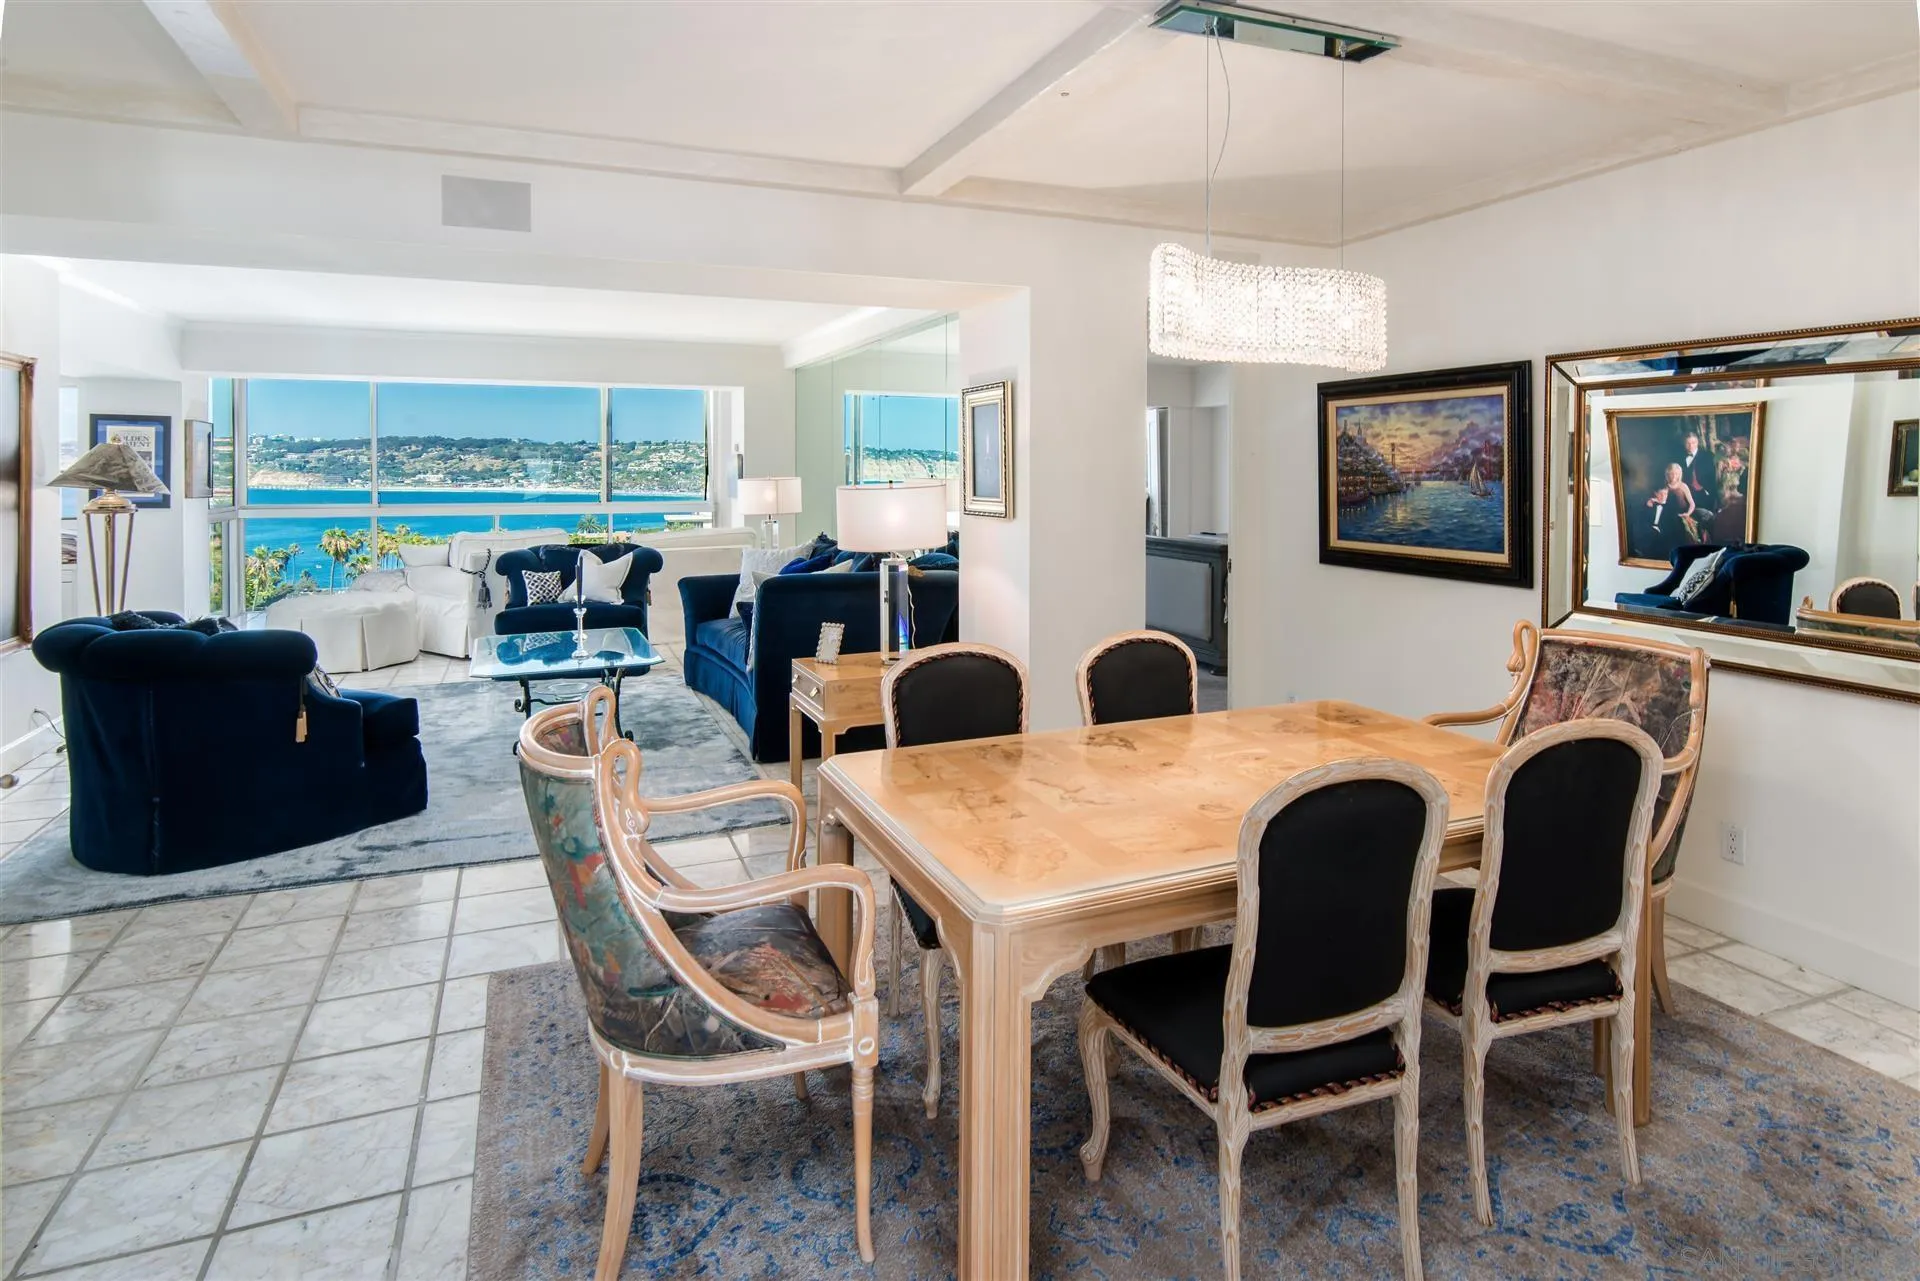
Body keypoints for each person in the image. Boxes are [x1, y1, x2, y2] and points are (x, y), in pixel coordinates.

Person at [1637, 461, 1696, 560]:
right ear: (1667, 474)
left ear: (1679, 474)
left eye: (1676, 474)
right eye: (1671, 473)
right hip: (1668, 514)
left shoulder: (1683, 486)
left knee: (1685, 533)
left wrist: (1687, 514)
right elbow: (1658, 499)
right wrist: (1652, 501)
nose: (1673, 476)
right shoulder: (1664, 486)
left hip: (1683, 514)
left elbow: (1692, 504)